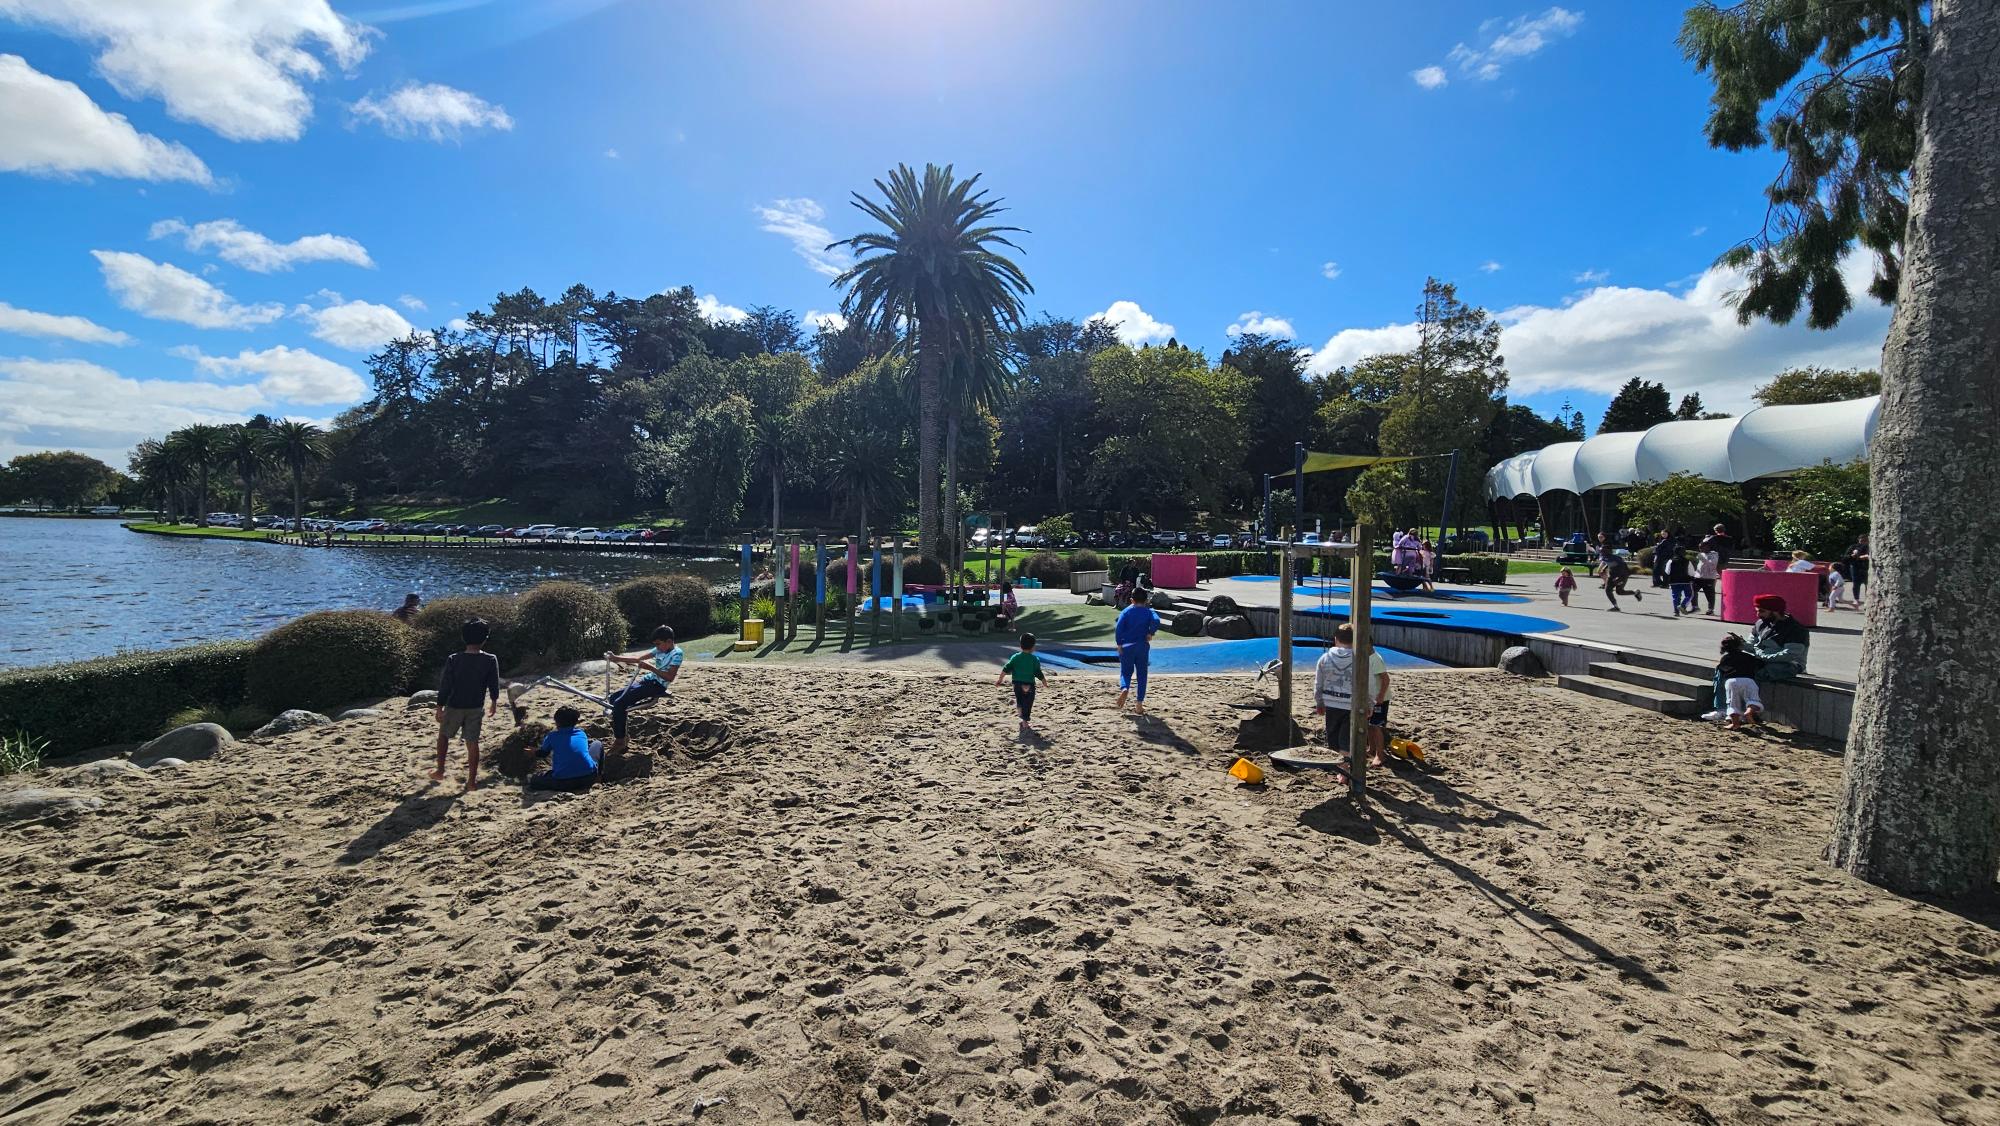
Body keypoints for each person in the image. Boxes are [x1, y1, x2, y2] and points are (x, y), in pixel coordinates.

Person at [1706, 594, 1809, 721]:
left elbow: (1789, 655)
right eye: (1757, 611)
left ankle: (1744, 711)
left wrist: (1761, 655)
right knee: (1726, 666)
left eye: (1762, 611)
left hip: (1788, 665)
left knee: (1752, 674)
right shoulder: (1760, 624)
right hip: (1761, 659)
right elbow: (1752, 646)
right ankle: (1722, 709)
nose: (1758, 614)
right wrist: (1741, 644)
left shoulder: (1796, 629)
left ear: (1775, 611)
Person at [433, 618, 500, 791]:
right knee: (472, 742)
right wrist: (494, 701)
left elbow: (446, 685)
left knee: (444, 736)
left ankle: (440, 770)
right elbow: (493, 683)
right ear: (485, 638)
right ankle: (471, 782)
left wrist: (439, 706)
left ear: (463, 638)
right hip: (476, 707)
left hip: (454, 705)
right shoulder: (490, 659)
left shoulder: (454, 659)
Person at [1312, 623, 1385, 767]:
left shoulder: (1324, 658)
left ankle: (1338, 765)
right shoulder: (1361, 659)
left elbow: (1318, 683)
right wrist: (1370, 703)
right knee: (1347, 738)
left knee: (1333, 735)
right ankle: (1344, 768)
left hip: (1331, 704)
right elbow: (1369, 684)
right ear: (1356, 640)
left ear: (1335, 639)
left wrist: (1319, 701)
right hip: (1352, 705)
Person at [604, 625, 681, 754]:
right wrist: (616, 658)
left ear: (669, 641)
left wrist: (651, 668)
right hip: (647, 680)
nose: (657, 647)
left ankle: (620, 741)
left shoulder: (677, 654)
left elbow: (669, 677)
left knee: (619, 704)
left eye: (658, 644)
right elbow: (638, 659)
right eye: (655, 644)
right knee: (613, 698)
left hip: (657, 685)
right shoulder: (659, 649)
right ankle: (624, 736)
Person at [528, 705, 600, 792]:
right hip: (589, 778)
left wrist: (533, 752)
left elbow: (543, 753)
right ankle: (599, 775)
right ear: (575, 721)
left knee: (534, 780)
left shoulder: (552, 736)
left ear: (557, 722)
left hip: (564, 782)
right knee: (597, 744)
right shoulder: (581, 733)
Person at [1113, 585, 1157, 714]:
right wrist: (1151, 632)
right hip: (1142, 646)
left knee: (1125, 672)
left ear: (1131, 600)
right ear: (1146, 600)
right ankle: (1139, 704)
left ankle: (1125, 688)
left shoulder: (1126, 612)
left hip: (1127, 646)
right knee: (1142, 675)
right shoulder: (1149, 612)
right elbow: (1156, 620)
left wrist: (1119, 644)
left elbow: (1119, 628)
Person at [995, 632, 1049, 734]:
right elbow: (1038, 673)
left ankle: (1020, 713)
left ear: (1020, 645)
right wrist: (1044, 682)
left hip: (1017, 684)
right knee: (1028, 703)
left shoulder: (1015, 657)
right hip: (1029, 685)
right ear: (1033, 647)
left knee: (1020, 700)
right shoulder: (1034, 659)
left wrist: (1000, 680)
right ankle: (1025, 721)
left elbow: (1006, 668)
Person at [1716, 634, 1766, 729]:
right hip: (1748, 680)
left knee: (1732, 703)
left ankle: (1735, 723)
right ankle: (1749, 712)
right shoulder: (1748, 656)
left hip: (1731, 681)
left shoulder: (1725, 658)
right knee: (1753, 700)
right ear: (1740, 646)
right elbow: (1760, 664)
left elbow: (1721, 669)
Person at [1598, 534, 1642, 610]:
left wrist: (1618, 578)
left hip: (1622, 574)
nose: (1601, 552)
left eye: (1603, 551)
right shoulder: (1604, 557)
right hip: (1612, 574)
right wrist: (1604, 569)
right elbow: (1608, 563)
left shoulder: (1615, 559)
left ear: (1608, 551)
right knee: (1610, 590)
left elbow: (1622, 568)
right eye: (1601, 551)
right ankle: (1616, 606)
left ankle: (1635, 592)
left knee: (1619, 591)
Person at [1693, 540, 1721, 615]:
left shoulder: (1714, 554)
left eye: (1701, 547)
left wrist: (1702, 558)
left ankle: (1710, 609)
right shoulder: (1701, 554)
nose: (1700, 549)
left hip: (1709, 578)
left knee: (1710, 594)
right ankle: (1695, 607)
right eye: (1699, 548)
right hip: (1698, 577)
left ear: (1707, 547)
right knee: (1692, 590)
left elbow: (1712, 564)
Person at [1845, 535, 1870, 602]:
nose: (1863, 542)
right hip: (1855, 567)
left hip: (1867, 567)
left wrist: (1861, 557)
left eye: (1865, 540)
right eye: (1862, 540)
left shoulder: (1870, 547)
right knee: (1856, 584)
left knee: (1868, 584)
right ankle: (1856, 599)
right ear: (1858, 540)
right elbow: (1846, 557)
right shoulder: (1854, 547)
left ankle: (1868, 599)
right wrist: (1852, 556)